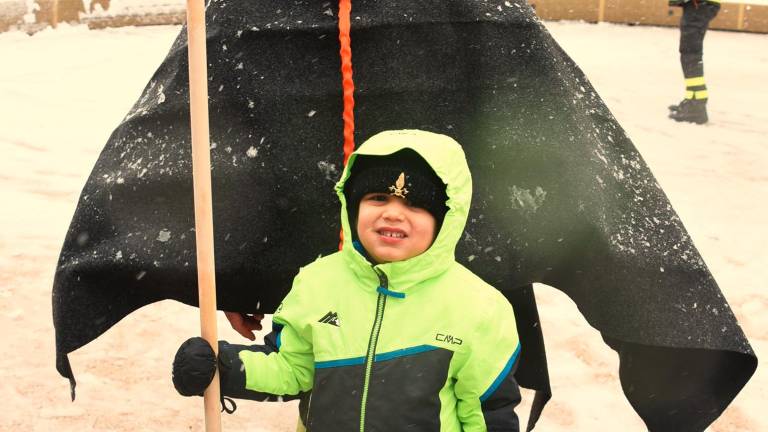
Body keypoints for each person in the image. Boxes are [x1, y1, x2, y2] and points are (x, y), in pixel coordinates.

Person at [172, 129, 522, 431]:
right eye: (377, 197)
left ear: (446, 220)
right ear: (352, 206)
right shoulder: (317, 282)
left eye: (416, 204)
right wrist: (223, 368)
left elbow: (488, 413)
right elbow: (293, 369)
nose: (393, 213)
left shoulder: (480, 308)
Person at [668, 0, 721, 124]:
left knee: (690, 54)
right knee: (689, 54)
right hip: (698, 5)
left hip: (698, 4)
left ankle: (697, 106)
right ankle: (692, 100)